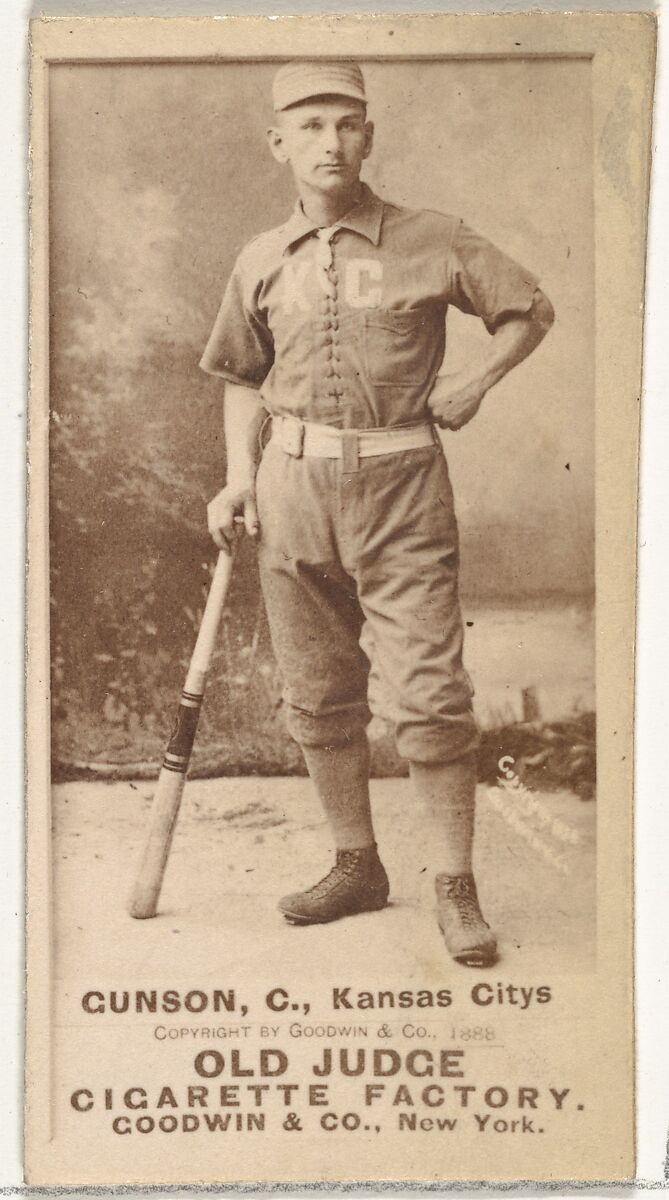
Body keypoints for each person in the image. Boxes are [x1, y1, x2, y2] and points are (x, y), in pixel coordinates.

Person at [201, 61, 554, 967]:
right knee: (318, 695)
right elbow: (241, 377)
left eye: (346, 124)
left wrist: (475, 380)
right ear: (278, 143)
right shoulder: (259, 258)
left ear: (368, 136)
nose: (330, 142)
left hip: (401, 490)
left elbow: (527, 308)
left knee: (429, 697)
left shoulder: (433, 237)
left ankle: (454, 885)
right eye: (310, 126)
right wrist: (237, 479)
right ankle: (355, 865)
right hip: (289, 491)